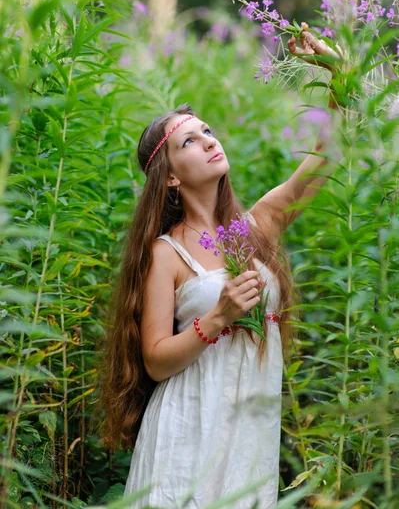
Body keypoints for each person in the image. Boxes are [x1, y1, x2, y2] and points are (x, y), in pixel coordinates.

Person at [98, 25, 343, 508]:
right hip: (188, 430)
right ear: (168, 176)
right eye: (189, 141)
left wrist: (333, 68)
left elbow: (327, 152)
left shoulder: (260, 226)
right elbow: (155, 359)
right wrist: (218, 316)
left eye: (207, 131)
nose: (209, 141)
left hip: (250, 432)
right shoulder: (167, 252)